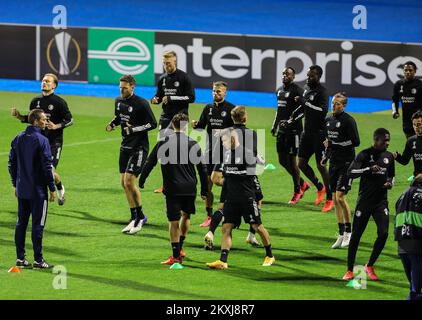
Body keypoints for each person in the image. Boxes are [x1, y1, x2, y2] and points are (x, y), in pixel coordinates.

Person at [207, 106, 275, 269]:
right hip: (234, 188)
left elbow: (256, 161)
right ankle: (223, 260)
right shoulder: (247, 135)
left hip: (244, 189)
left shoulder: (240, 138)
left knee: (256, 225)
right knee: (227, 226)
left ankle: (270, 255)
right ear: (245, 118)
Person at [138, 113, 208, 265]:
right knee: (186, 216)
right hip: (190, 188)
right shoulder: (194, 143)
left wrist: (142, 179)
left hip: (172, 188)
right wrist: (204, 190)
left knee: (173, 221)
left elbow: (150, 162)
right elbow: (202, 169)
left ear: (172, 125)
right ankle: (181, 247)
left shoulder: (163, 142)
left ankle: (176, 256)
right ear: (186, 126)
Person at [106, 75, 157, 234]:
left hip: (139, 147)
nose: (121, 90)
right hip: (125, 147)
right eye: (120, 87)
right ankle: (134, 216)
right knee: (124, 183)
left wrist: (133, 129)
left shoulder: (142, 103)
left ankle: (141, 217)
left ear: (132, 87)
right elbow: (119, 116)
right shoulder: (118, 101)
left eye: (125, 88)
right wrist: (113, 123)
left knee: (129, 181)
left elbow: (152, 124)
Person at [11, 73, 73, 206]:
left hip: (53, 142)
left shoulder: (59, 102)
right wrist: (19, 116)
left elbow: (70, 120)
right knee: (38, 170)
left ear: (54, 85)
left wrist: (56, 126)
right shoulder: (35, 101)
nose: (44, 83)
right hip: (37, 141)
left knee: (49, 170)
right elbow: (31, 119)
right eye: (43, 81)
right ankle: (38, 196)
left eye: (48, 81)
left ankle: (59, 189)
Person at [342, 128, 395, 281]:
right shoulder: (364, 154)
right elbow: (350, 172)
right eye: (385, 140)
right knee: (356, 236)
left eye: (388, 140)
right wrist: (368, 169)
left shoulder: (389, 156)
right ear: (376, 140)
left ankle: (369, 265)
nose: (387, 143)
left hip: (380, 202)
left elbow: (391, 175)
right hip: (365, 201)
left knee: (384, 233)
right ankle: (350, 270)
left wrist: (390, 183)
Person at [8, 109, 56, 269]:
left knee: (21, 223)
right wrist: (52, 188)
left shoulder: (18, 138)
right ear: (35, 121)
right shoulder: (42, 140)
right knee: (38, 225)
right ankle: (38, 260)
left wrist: (15, 184)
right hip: (38, 192)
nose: (46, 122)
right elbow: (47, 167)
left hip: (22, 189)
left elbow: (11, 164)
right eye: (43, 119)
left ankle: (20, 259)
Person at [284, 65, 333, 212]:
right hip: (307, 133)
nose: (308, 78)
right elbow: (304, 109)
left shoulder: (323, 92)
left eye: (311, 76)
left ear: (318, 77)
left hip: (319, 133)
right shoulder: (306, 88)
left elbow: (322, 111)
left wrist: (305, 103)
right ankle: (319, 187)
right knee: (301, 163)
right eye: (307, 75)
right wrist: (292, 118)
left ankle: (330, 198)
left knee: (321, 166)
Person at [192, 81, 235, 227]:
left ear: (225, 93)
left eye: (219, 92)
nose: (216, 94)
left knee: (216, 179)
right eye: (214, 91)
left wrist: (224, 133)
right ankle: (210, 216)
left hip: (224, 151)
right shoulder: (208, 108)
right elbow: (201, 127)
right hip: (210, 151)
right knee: (207, 185)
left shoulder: (231, 109)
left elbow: (238, 131)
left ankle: (237, 186)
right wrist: (196, 125)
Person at [151, 51, 195, 193]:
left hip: (180, 118)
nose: (166, 66)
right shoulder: (162, 79)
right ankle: (166, 185)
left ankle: (182, 182)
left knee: (180, 152)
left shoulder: (183, 77)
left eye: (168, 63)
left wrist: (172, 98)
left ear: (175, 62)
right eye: (164, 63)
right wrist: (155, 100)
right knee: (163, 152)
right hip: (165, 117)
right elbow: (159, 96)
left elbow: (191, 97)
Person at [322, 92, 360, 249]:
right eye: (333, 102)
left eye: (337, 104)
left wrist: (334, 145)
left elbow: (356, 142)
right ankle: (340, 233)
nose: (333, 105)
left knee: (340, 197)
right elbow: (329, 142)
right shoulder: (328, 119)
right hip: (334, 163)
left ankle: (349, 233)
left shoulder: (349, 121)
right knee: (334, 198)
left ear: (344, 106)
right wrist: (326, 156)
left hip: (347, 163)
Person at [271, 67, 309, 204]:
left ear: (293, 77)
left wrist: (290, 121)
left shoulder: (297, 91)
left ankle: (297, 191)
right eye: (283, 73)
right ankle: (303, 184)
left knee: (292, 162)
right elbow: (279, 110)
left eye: (288, 74)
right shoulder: (279, 90)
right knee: (282, 161)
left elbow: (304, 110)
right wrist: (274, 125)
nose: (285, 75)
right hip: (282, 131)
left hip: (294, 131)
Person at [394, 174, 422, 300]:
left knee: (414, 287)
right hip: (417, 247)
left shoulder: (401, 196)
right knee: (417, 291)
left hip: (402, 247)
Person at [392, 61, 422, 138]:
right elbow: (395, 100)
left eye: (410, 70)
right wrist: (395, 111)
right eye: (406, 70)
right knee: (411, 143)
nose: (408, 72)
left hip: (419, 120)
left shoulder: (420, 84)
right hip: (406, 121)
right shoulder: (398, 84)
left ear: (415, 71)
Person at [394, 110, 422, 176]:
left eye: (419, 124)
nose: (416, 128)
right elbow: (405, 161)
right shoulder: (411, 141)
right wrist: (397, 156)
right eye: (414, 125)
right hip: (418, 180)